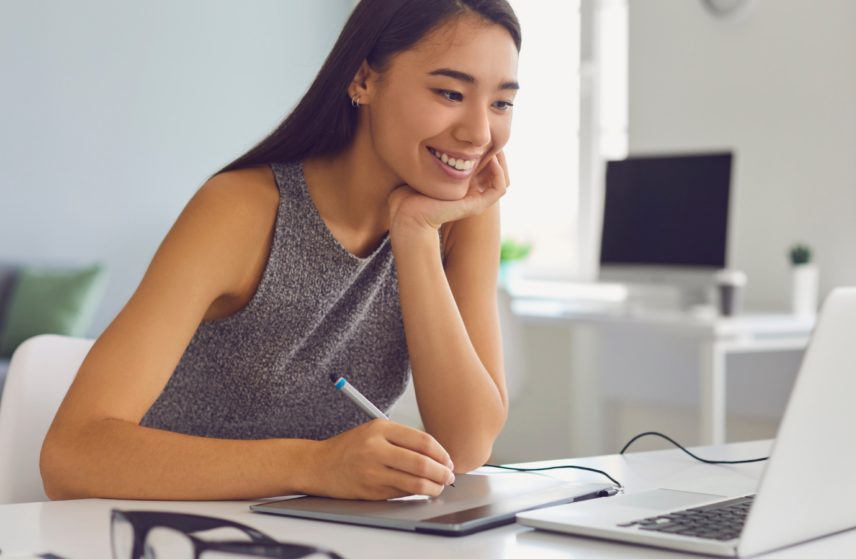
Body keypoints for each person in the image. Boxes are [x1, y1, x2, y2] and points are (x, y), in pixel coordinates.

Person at [40, 0, 520, 502]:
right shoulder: (240, 211)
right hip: (169, 531)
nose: (479, 134)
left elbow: (466, 446)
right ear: (364, 80)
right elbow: (71, 454)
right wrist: (315, 464)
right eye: (450, 92)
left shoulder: (455, 215)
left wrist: (415, 235)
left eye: (501, 103)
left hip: (311, 536)